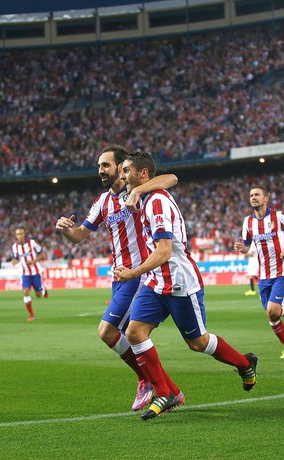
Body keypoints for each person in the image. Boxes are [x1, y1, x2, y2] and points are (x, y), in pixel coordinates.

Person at [114, 150, 257, 421]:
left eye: (127, 170)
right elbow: (170, 178)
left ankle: (244, 363)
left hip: (179, 283)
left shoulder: (156, 202)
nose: (123, 175)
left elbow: (165, 251)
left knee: (198, 343)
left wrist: (133, 272)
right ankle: (165, 392)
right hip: (156, 282)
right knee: (134, 333)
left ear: (143, 174)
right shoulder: (140, 195)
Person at [55, 144, 178, 412]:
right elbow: (79, 236)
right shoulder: (102, 202)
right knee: (131, 338)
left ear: (121, 168)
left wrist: (139, 190)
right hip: (119, 277)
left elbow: (172, 179)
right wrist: (65, 229)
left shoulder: (136, 192)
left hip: (139, 275)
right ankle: (172, 392)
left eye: (106, 165)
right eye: (99, 166)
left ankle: (146, 380)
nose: (101, 170)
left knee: (107, 331)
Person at [234, 185, 284, 359]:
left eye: (257, 194)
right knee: (272, 315)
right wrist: (242, 248)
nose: (253, 197)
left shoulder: (278, 217)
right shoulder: (248, 222)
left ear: (266, 198)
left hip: (281, 272)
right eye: (251, 195)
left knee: (273, 310)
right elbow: (247, 246)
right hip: (263, 275)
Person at [11, 226, 48, 322]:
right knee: (26, 292)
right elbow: (16, 258)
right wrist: (14, 261)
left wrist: (34, 261)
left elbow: (42, 254)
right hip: (24, 273)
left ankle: (43, 289)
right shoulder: (15, 247)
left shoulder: (32, 243)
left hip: (35, 271)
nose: (20, 236)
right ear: (16, 236)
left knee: (39, 295)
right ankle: (31, 315)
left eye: (21, 233)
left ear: (24, 234)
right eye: (18, 234)